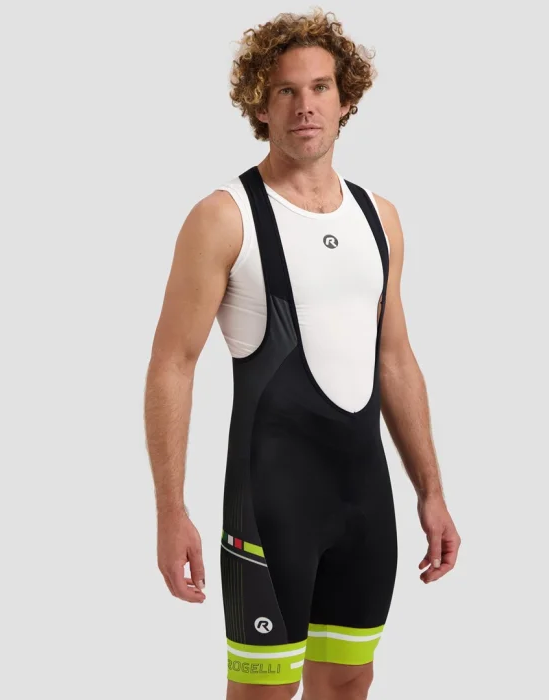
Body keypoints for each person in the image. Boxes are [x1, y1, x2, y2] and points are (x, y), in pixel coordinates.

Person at [144, 9, 461, 699]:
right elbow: (172, 364)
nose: (305, 106)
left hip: (364, 502)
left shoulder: (379, 216)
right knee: (263, 692)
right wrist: (171, 511)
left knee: (349, 681)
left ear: (346, 100)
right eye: (286, 90)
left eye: (320, 88)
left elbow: (395, 360)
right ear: (260, 105)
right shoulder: (224, 217)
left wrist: (431, 492)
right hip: (270, 504)